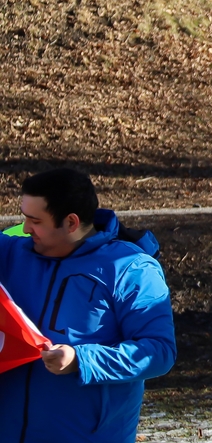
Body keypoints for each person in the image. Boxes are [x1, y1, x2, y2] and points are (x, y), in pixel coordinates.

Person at [0, 168, 176, 443]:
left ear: (71, 222)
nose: (24, 229)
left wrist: (81, 361)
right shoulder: (12, 253)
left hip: (86, 435)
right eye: (24, 217)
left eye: (35, 221)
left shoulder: (130, 269)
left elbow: (159, 351)